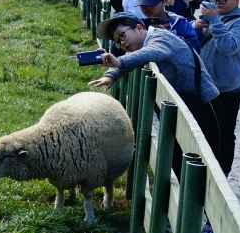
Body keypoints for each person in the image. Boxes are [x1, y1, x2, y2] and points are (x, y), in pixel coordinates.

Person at [94, 11, 221, 186]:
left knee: (204, 159)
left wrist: (119, 63)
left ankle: (202, 205)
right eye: (117, 41)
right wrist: (111, 74)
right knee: (180, 157)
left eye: (122, 35)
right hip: (180, 105)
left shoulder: (160, 38)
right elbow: (136, 58)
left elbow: (152, 52)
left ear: (139, 27)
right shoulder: (145, 44)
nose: (121, 43)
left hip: (198, 105)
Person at [195, 0, 240, 233]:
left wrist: (214, 21)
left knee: (221, 142)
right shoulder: (212, 18)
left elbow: (228, 47)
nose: (217, 3)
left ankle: (216, 210)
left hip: (227, 92)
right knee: (201, 140)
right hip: (206, 87)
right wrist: (198, 28)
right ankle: (198, 199)